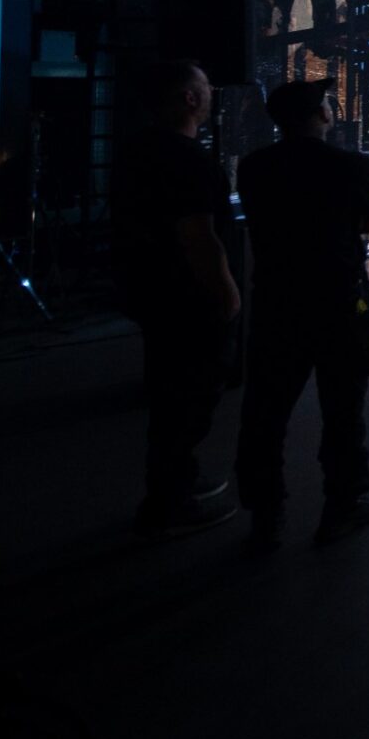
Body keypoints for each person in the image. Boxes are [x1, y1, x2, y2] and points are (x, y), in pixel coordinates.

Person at [234, 79, 369, 549]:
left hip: (277, 301)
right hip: (339, 300)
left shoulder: (253, 167)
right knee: (343, 409)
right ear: (322, 115)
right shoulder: (348, 166)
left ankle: (265, 513)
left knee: (265, 411)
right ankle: (343, 505)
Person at [111, 59, 240, 538]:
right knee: (190, 398)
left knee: (168, 394)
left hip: (150, 291)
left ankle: (175, 480)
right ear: (189, 98)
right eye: (204, 87)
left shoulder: (135, 151)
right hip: (189, 299)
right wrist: (226, 291)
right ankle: (170, 502)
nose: (210, 94)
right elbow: (198, 235)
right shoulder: (188, 161)